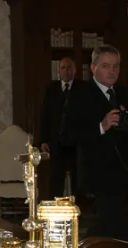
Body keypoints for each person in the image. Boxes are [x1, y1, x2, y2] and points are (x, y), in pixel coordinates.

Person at [61, 44, 128, 242]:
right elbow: (66, 136)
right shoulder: (80, 94)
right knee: (111, 225)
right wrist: (101, 126)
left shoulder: (123, 92)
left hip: (122, 172)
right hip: (96, 173)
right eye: (106, 66)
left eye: (116, 66)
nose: (112, 71)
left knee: (116, 224)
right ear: (93, 68)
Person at [40, 57, 80, 198]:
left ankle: (79, 211)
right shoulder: (51, 89)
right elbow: (44, 116)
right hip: (56, 142)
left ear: (74, 70)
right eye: (63, 68)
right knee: (56, 179)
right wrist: (43, 140)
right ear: (58, 71)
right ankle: (54, 211)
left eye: (69, 67)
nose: (66, 71)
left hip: (77, 142)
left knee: (78, 179)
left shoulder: (83, 89)